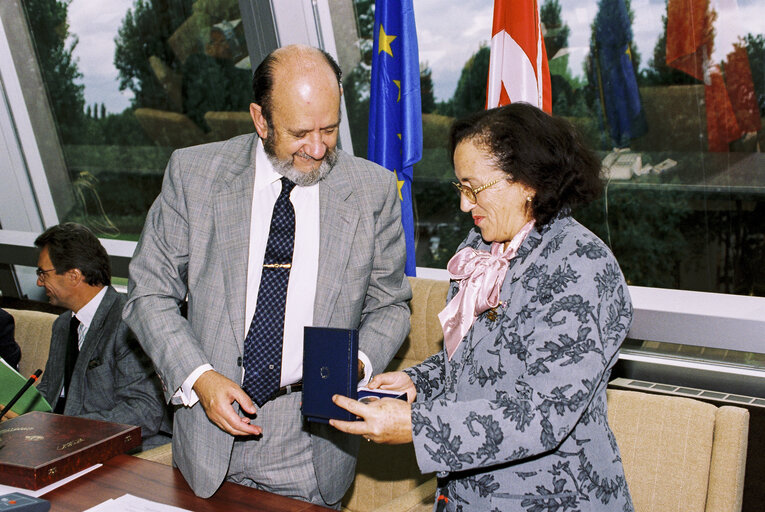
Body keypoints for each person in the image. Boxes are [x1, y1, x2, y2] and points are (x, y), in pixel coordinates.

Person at [123, 44, 411, 507]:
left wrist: (353, 364)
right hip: (208, 432)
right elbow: (148, 292)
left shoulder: (371, 190)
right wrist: (200, 378)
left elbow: (391, 304)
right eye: (300, 132)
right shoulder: (194, 174)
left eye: (330, 129)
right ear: (261, 120)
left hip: (313, 442)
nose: (317, 149)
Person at [331, 103, 635, 511]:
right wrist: (418, 382)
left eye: (473, 188)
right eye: (460, 188)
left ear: (527, 181)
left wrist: (418, 428)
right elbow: (476, 361)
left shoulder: (582, 267)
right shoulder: (477, 249)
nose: (463, 205)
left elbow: (543, 413)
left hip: (555, 499)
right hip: (464, 495)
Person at [34, 223, 168, 449]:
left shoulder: (128, 322)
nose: (39, 282)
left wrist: (67, 428)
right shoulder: (63, 325)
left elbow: (144, 410)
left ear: (74, 275)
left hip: (123, 451)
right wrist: (19, 411)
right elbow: (49, 391)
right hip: (63, 444)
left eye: (42, 273)